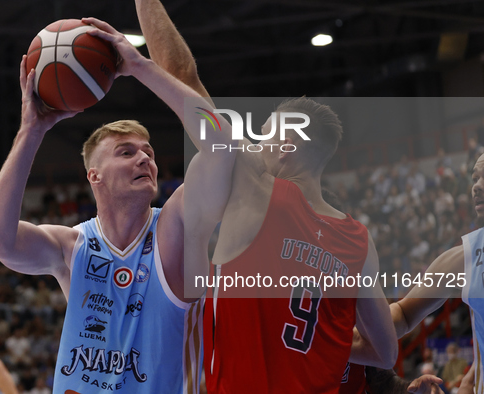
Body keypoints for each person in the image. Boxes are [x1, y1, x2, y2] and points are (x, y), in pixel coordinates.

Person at [132, 1, 397, 392]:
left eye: (264, 135)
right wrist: (322, 343)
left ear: (286, 144)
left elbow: (183, 77)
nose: (254, 143)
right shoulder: (360, 242)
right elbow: (385, 353)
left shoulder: (254, 183)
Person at [0, 13, 230, 394]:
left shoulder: (176, 227)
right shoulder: (72, 247)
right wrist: (31, 131)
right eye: (126, 152)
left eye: (148, 152)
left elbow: (222, 147)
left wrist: (142, 68)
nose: (145, 159)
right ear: (94, 176)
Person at [385, 152, 484, 393]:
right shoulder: (466, 256)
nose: (477, 186)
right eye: (475, 178)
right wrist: (334, 333)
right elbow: (403, 314)